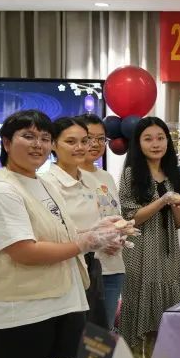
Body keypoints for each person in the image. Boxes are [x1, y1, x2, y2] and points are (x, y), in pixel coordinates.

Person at [0, 110, 129, 358]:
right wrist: (85, 243)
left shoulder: (40, 183)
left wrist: (96, 232)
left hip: (63, 303)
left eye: (44, 138)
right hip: (23, 313)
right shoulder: (2, 191)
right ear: (6, 143)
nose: (38, 144)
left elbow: (59, 237)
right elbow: (24, 251)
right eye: (28, 136)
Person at [119, 117, 180, 358]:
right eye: (148, 139)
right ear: (138, 144)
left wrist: (177, 205)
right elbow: (131, 218)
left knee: (165, 311)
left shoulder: (174, 174)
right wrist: (163, 200)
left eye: (160, 138)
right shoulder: (130, 174)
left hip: (168, 251)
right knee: (138, 306)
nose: (156, 144)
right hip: (139, 250)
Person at [40, 116, 112, 329]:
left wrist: (110, 234)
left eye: (84, 141)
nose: (80, 147)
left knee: (96, 336)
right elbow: (50, 233)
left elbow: (95, 221)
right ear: (53, 144)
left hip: (92, 263)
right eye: (71, 142)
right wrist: (92, 237)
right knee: (70, 333)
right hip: (63, 266)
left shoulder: (90, 180)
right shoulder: (46, 183)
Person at [77, 113, 124, 328]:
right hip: (85, 269)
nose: (95, 144)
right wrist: (100, 241)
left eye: (101, 139)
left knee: (103, 336)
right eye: (89, 138)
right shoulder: (68, 177)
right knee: (83, 334)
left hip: (114, 266)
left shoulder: (106, 176)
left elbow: (114, 215)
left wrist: (120, 236)